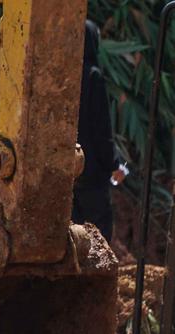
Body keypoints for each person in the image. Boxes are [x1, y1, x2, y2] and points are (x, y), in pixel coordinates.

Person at [73, 19, 126, 241]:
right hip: (91, 170)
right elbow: (100, 128)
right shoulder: (93, 76)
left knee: (72, 231)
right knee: (99, 233)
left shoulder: (64, 75)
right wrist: (114, 162)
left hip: (66, 169)